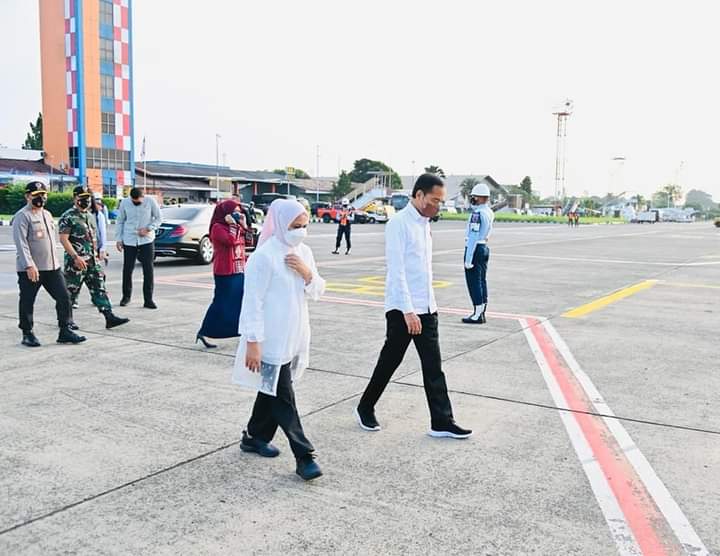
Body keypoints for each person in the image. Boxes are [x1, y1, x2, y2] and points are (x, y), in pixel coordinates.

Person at [355, 174, 472, 439]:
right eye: (434, 200)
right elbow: (397, 272)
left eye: (440, 202)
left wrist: (429, 307)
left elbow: (422, 271)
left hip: (427, 308)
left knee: (434, 367)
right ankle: (365, 407)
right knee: (390, 362)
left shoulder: (424, 224)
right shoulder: (399, 224)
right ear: (418, 195)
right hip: (402, 309)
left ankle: (441, 421)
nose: (437, 206)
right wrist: (408, 311)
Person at [234, 199, 325, 481]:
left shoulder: (304, 253)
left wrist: (307, 273)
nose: (300, 231)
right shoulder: (264, 257)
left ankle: (253, 436)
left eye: (304, 226)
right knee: (284, 397)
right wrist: (253, 341)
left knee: (271, 390)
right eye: (295, 226)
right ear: (281, 224)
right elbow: (252, 302)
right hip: (270, 341)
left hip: (295, 334)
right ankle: (304, 455)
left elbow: (317, 291)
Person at [12, 181, 86, 347]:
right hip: (32, 269)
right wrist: (29, 265)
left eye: (43, 195)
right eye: (37, 195)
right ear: (28, 196)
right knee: (27, 301)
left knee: (64, 297)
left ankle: (65, 330)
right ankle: (27, 333)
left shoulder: (47, 214)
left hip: (52, 267)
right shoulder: (22, 216)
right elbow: (21, 244)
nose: (41, 198)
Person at [58, 186, 129, 330]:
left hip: (92, 260)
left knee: (99, 287)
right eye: (82, 198)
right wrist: (75, 257)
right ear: (75, 199)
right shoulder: (68, 216)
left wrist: (99, 253)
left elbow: (93, 238)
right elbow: (64, 239)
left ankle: (109, 316)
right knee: (70, 292)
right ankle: (66, 320)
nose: (85, 201)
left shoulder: (90, 216)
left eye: (88, 198)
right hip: (76, 262)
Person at [196, 199, 248, 348]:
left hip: (239, 269)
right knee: (221, 302)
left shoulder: (237, 227)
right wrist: (233, 225)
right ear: (225, 213)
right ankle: (205, 331)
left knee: (238, 302)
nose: (237, 215)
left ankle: (237, 330)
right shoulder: (217, 228)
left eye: (239, 211)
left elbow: (249, 241)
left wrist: (243, 225)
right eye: (234, 212)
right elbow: (231, 241)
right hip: (225, 271)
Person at [115, 187, 161, 308]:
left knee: (148, 270)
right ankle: (126, 297)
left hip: (146, 240)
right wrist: (119, 239)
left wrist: (148, 228)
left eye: (138, 201)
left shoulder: (150, 202)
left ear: (143, 196)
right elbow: (120, 221)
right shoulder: (124, 203)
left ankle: (148, 299)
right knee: (127, 269)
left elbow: (159, 218)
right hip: (129, 239)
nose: (136, 202)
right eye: (133, 200)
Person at [462, 183, 494, 324]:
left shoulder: (477, 214)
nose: (472, 199)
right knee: (482, 281)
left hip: (475, 248)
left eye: (474, 197)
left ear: (480, 198)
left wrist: (468, 258)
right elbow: (489, 231)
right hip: (484, 247)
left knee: (474, 282)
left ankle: (477, 314)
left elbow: (473, 236)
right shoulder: (489, 212)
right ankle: (482, 312)